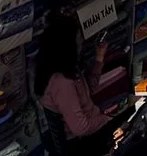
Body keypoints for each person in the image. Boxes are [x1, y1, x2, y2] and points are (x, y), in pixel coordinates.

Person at [37, 11, 115, 153]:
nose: (81, 43)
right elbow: (80, 128)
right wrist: (105, 119)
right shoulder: (61, 83)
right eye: (77, 40)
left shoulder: (69, 69)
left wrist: (99, 59)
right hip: (83, 143)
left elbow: (87, 90)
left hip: (91, 130)